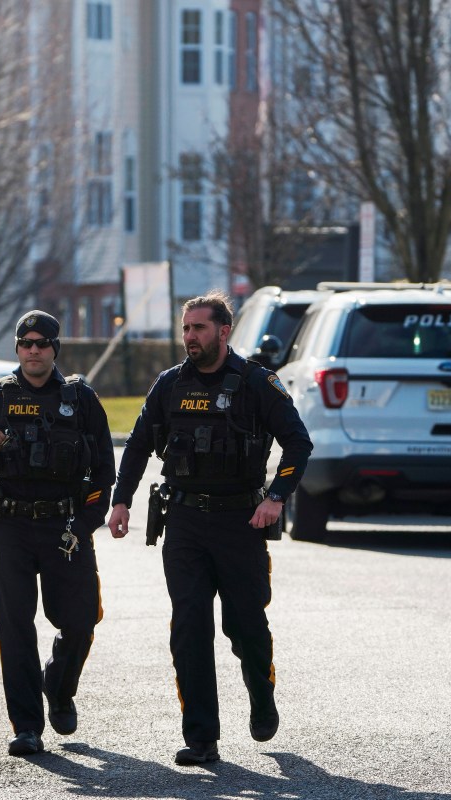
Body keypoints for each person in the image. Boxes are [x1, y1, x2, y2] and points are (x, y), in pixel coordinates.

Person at [107, 290, 313, 765]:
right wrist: (121, 501)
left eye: (199, 328)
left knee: (245, 627)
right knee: (189, 627)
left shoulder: (257, 382)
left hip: (239, 522)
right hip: (183, 523)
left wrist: (276, 498)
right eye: (185, 328)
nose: (189, 337)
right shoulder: (169, 384)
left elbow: (298, 445)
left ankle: (261, 698)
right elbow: (137, 446)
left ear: (223, 331)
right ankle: (202, 737)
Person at [0, 310, 114, 757]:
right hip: (12, 528)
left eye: (42, 343)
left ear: (55, 348)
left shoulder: (80, 399)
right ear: (18, 348)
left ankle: (58, 688)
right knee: (16, 629)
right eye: (26, 343)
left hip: (65, 527)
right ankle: (27, 727)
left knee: (80, 622)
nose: (34, 350)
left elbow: (104, 472)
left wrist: (84, 524)